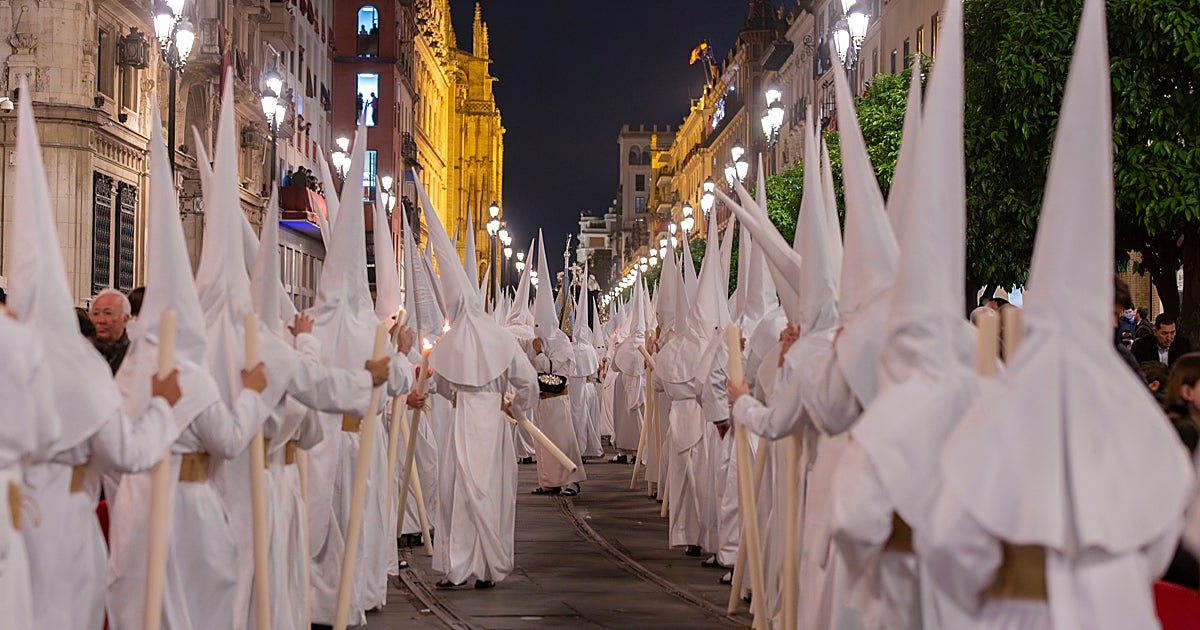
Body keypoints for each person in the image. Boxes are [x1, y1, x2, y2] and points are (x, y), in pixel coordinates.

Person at [90, 288, 132, 373]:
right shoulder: (83, 351)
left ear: (125, 319)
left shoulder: (136, 355)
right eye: (96, 313)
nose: (101, 320)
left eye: (108, 313)